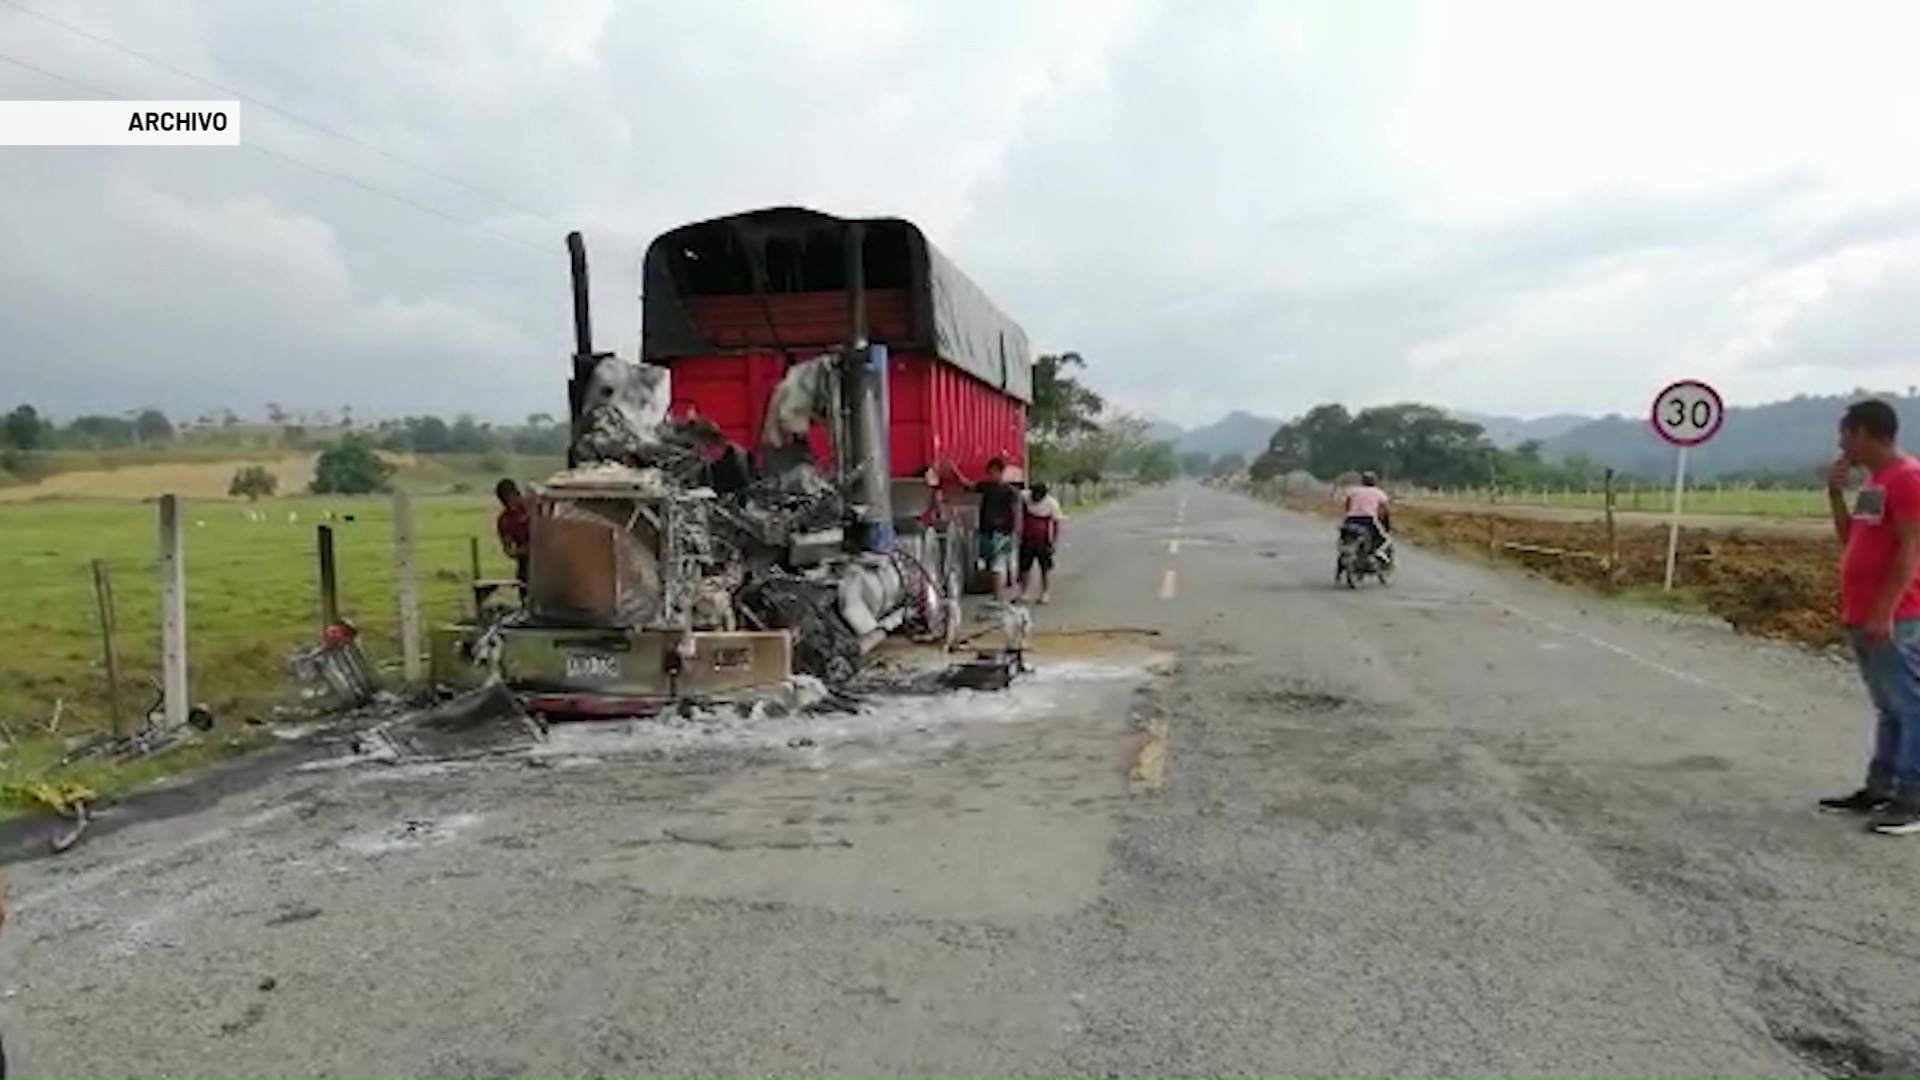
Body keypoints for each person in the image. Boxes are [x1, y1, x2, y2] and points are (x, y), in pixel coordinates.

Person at [1818, 399, 1920, 835]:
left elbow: (1910, 552)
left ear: (1863, 433)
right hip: (1861, 610)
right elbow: (1852, 539)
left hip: (1896, 614)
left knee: (1910, 705)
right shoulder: (1876, 482)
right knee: (1888, 707)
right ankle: (1880, 786)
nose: (1841, 444)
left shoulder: (1908, 479)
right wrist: (1835, 494)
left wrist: (1884, 611)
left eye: (1845, 434)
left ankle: (1912, 798)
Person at [974, 456, 1022, 600]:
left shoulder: (1010, 491)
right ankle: (995, 592)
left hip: (1002, 531)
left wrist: (1017, 529)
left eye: (994, 472)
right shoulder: (985, 487)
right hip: (986, 530)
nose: (991, 475)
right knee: (988, 562)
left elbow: (1016, 510)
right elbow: (968, 485)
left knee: (999, 563)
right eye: (989, 472)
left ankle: (998, 595)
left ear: (1001, 472)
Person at [1019, 481, 1066, 603]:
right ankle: (1024, 592)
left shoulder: (1051, 504)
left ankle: (1045, 593)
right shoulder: (1025, 496)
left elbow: (1056, 524)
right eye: (1034, 495)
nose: (1036, 498)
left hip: (1043, 539)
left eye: (1039, 496)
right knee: (1024, 566)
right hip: (1027, 537)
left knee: (1045, 567)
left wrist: (1054, 542)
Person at [1341, 469, 1394, 565]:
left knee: (1346, 540)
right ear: (1374, 481)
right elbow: (1386, 510)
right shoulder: (1378, 493)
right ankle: (1377, 554)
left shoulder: (1353, 491)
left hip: (1351, 519)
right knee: (1385, 539)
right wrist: (1386, 523)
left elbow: (1347, 505)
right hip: (1368, 519)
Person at [495, 478, 531, 585]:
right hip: (526, 566)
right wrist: (524, 550)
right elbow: (509, 550)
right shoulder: (505, 520)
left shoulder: (534, 507)